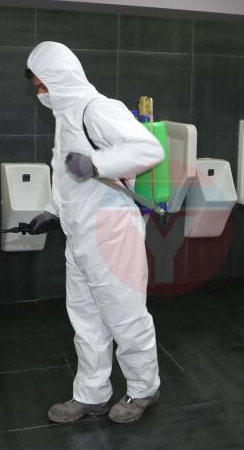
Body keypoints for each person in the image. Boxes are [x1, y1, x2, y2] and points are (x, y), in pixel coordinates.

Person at [25, 41, 163, 424]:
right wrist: (52, 211)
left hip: (111, 232)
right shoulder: (65, 116)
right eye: (37, 87)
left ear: (60, 78)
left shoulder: (96, 108)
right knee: (86, 320)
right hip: (80, 234)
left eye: (43, 85)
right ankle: (92, 394)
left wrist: (96, 163)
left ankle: (143, 388)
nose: (40, 93)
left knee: (125, 316)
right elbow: (66, 176)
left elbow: (148, 149)